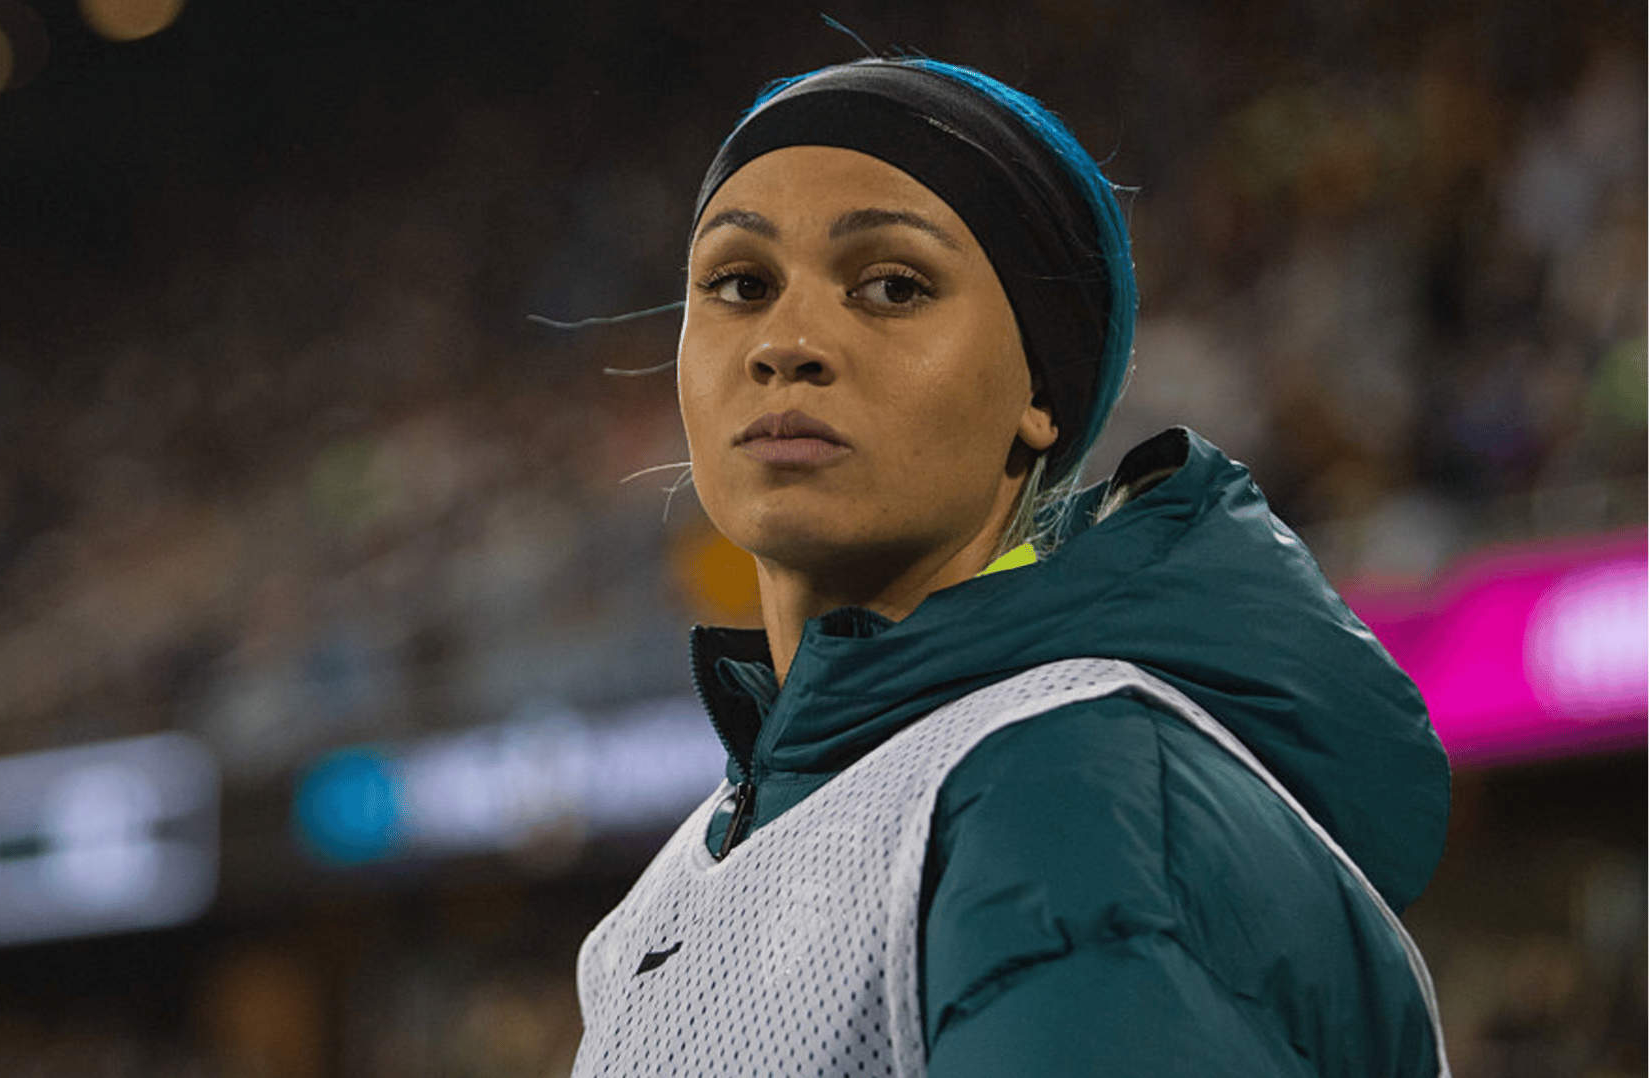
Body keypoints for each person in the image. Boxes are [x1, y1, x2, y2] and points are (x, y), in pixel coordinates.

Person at [571, 57, 1451, 1077]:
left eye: (892, 285)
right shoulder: (665, 893)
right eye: (739, 284)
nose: (787, 342)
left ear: (1041, 392)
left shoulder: (1074, 786)